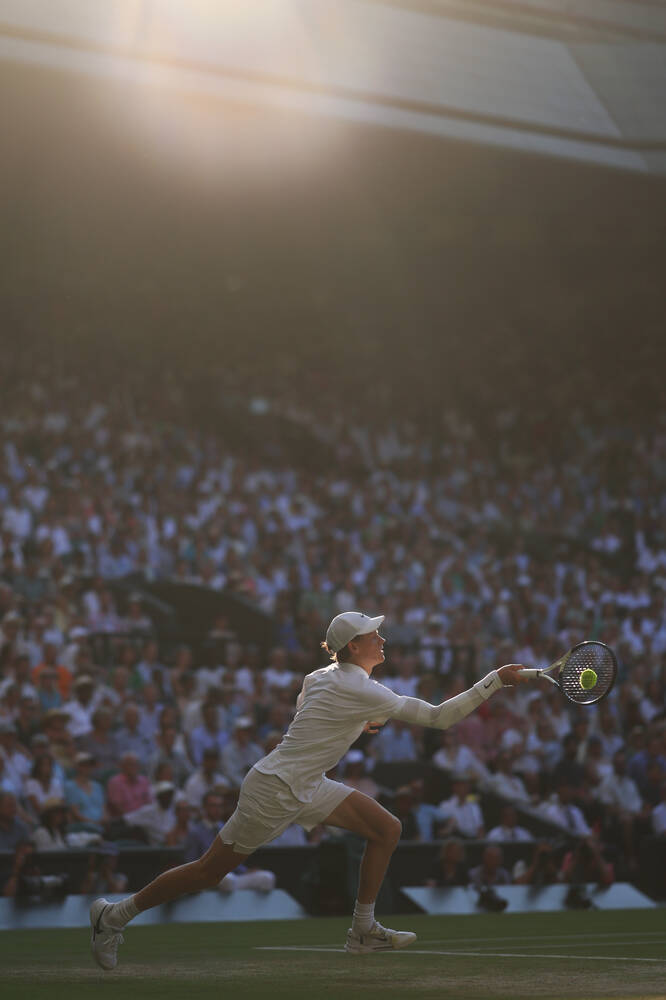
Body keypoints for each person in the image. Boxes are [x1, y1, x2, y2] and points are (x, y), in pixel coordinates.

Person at [90, 611, 529, 969]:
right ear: (353, 647)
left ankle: (362, 931)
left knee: (387, 829)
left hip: (307, 782)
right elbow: (439, 718)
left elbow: (311, 712)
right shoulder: (358, 686)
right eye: (372, 634)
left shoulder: (321, 676)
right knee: (209, 872)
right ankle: (113, 916)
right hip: (275, 789)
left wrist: (359, 719)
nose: (381, 639)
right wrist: (494, 680)